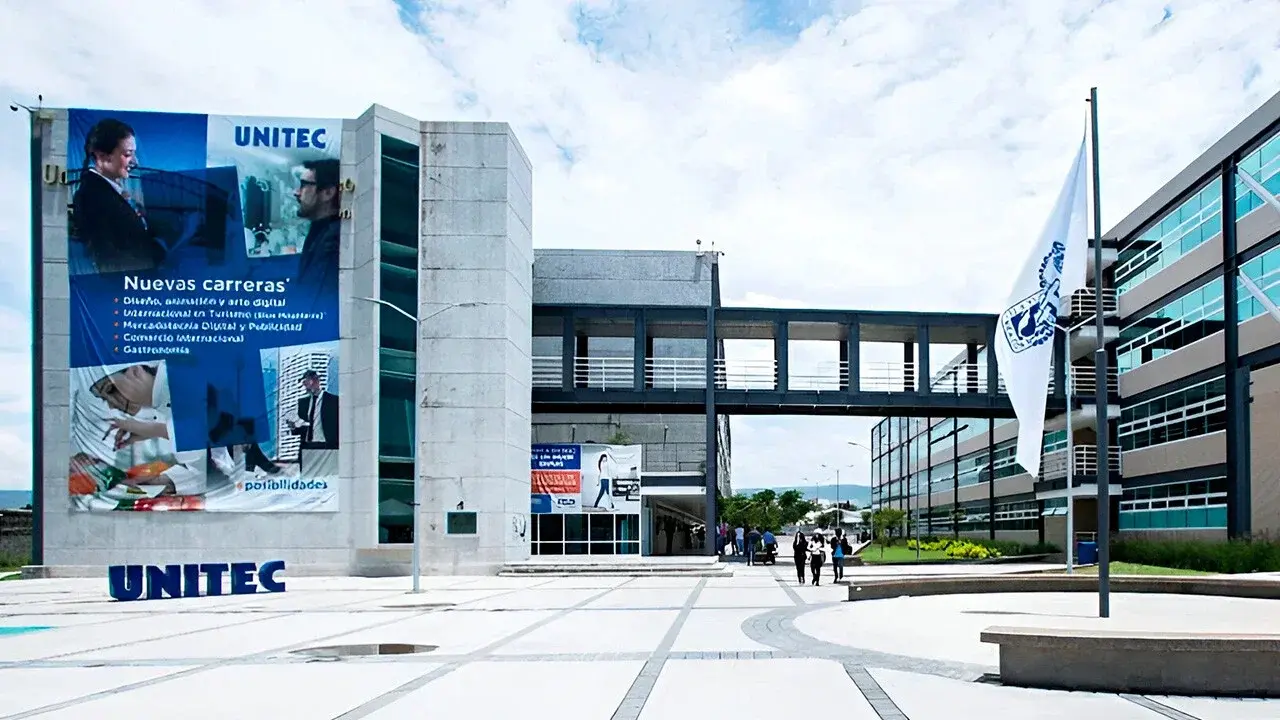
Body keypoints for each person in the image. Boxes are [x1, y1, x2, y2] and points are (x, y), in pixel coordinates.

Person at [87, 362, 205, 497]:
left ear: (135, 371)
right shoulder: (164, 406)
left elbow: (219, 440)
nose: (112, 405)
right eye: (104, 399)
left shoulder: (185, 376)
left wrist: (157, 430)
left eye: (110, 390)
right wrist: (166, 481)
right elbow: (206, 471)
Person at [71, 118, 166, 275]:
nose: (135, 162)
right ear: (101, 156)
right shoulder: (94, 198)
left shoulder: (108, 192)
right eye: (128, 155)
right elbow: (112, 259)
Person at [294, 158, 341, 293]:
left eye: (303, 185)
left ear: (328, 193)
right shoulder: (322, 231)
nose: (296, 192)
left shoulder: (333, 240)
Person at [288, 370, 339, 476]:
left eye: (307, 382)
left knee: (327, 481)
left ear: (316, 381)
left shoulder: (334, 401)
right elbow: (300, 428)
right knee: (307, 481)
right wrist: (293, 427)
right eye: (304, 383)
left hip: (327, 446)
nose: (306, 386)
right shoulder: (302, 403)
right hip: (307, 446)